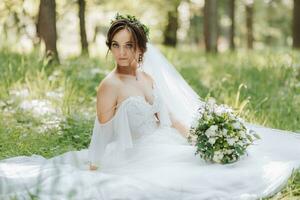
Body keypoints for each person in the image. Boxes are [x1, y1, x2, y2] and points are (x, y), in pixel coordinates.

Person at [0, 14, 300, 200]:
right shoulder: (109, 86)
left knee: (217, 166)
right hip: (135, 155)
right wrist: (92, 170)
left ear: (140, 49)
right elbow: (101, 135)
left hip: (165, 142)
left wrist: (200, 139)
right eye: (115, 45)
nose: (121, 52)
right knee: (188, 184)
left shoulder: (148, 78)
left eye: (128, 45)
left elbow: (167, 119)